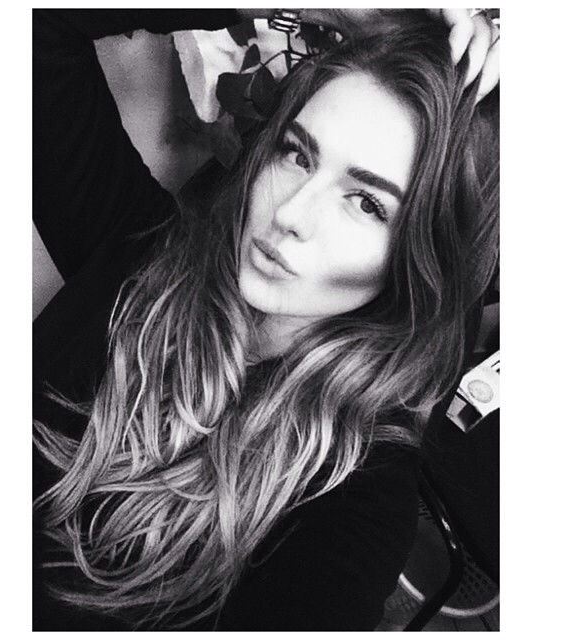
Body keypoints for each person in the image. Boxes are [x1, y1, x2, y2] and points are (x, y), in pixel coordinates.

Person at [32, 8, 499, 631]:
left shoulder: (353, 496)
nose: (290, 215)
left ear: (427, 254)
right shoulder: (138, 248)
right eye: (298, 155)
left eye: (366, 202)